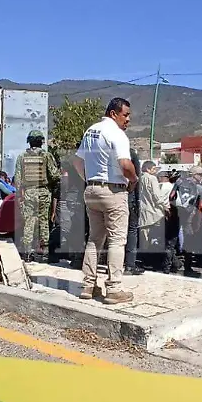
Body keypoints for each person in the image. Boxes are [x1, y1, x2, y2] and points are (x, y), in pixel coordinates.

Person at [77, 98, 138, 304]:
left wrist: (89, 179)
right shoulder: (116, 134)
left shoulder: (90, 131)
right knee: (117, 240)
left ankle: (88, 285)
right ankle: (114, 289)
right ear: (114, 113)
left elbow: (77, 161)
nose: (128, 119)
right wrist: (134, 179)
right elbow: (125, 164)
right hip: (113, 191)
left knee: (94, 239)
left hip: (92, 189)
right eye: (125, 115)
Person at [14, 129, 60, 262]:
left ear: (29, 142)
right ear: (41, 142)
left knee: (29, 222)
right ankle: (44, 253)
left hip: (28, 193)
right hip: (43, 193)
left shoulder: (22, 157)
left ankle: (27, 253)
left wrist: (20, 195)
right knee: (43, 221)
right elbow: (54, 175)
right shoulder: (46, 155)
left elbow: (17, 180)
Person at [56, 142, 88, 267]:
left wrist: (63, 195)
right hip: (88, 197)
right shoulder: (91, 159)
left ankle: (76, 257)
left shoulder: (70, 160)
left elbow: (65, 179)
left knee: (75, 228)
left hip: (73, 197)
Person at [172, 167, 202, 276]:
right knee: (189, 240)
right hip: (189, 216)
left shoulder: (179, 182)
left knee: (172, 238)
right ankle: (187, 267)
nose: (201, 176)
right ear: (194, 174)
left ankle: (170, 264)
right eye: (200, 174)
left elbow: (171, 196)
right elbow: (201, 206)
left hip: (177, 212)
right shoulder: (199, 188)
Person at [137, 161, 168, 270]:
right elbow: (156, 195)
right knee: (155, 238)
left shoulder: (139, 178)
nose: (155, 171)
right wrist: (165, 207)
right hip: (154, 213)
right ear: (148, 169)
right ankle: (154, 261)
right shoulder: (152, 179)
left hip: (143, 212)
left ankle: (143, 260)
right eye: (154, 169)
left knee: (144, 239)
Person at [124, 149, 144, 275]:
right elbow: (137, 179)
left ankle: (112, 265)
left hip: (110, 196)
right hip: (129, 197)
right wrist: (138, 200)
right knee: (132, 231)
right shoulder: (130, 153)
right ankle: (130, 265)